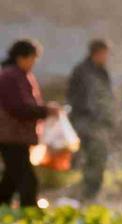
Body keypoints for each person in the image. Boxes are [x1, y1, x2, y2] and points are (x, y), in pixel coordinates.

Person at [0, 39, 59, 207]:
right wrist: (45, 111)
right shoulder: (10, 76)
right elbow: (18, 107)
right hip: (10, 136)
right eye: (32, 58)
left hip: (16, 136)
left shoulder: (18, 75)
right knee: (28, 181)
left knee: (10, 180)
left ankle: (3, 210)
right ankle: (30, 216)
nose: (33, 63)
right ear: (21, 57)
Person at [67, 39, 115, 202]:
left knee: (97, 159)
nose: (107, 57)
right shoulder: (82, 71)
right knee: (94, 158)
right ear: (98, 52)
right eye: (105, 53)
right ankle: (86, 196)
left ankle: (89, 195)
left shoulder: (102, 71)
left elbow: (106, 97)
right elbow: (79, 97)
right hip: (87, 122)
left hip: (99, 123)